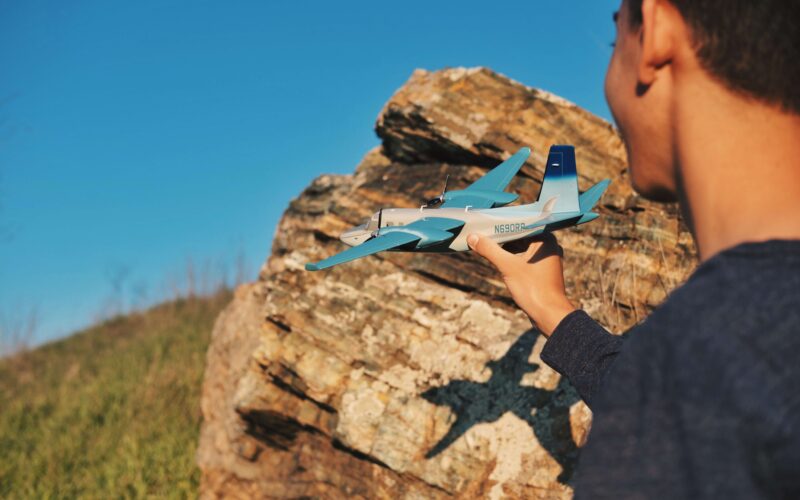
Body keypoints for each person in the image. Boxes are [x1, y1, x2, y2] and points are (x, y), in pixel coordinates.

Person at [466, 0, 800, 497]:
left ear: (656, 32)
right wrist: (554, 311)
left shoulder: (701, 346)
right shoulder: (732, 349)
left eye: (613, 37)